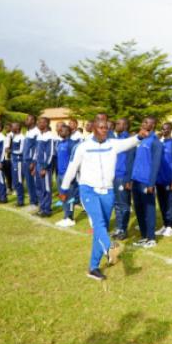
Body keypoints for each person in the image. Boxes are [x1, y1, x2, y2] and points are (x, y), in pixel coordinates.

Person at [59, 118, 140, 280]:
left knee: (99, 230)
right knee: (99, 224)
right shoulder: (82, 146)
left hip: (108, 192)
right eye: (101, 128)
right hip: (88, 191)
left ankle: (93, 267)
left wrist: (140, 136)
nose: (105, 130)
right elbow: (72, 167)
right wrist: (64, 188)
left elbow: (129, 143)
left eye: (106, 128)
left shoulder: (113, 144)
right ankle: (111, 247)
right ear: (94, 129)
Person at [129, 117, 163, 249]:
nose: (143, 124)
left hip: (146, 181)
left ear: (153, 125)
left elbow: (155, 165)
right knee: (139, 210)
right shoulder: (141, 140)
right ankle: (144, 236)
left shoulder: (155, 142)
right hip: (136, 180)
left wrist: (151, 183)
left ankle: (151, 238)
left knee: (149, 210)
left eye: (147, 122)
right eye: (142, 122)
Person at [54, 123, 80, 227]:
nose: (60, 132)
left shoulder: (72, 144)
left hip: (68, 175)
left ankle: (70, 218)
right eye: (60, 130)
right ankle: (66, 217)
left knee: (70, 196)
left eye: (63, 130)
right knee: (63, 196)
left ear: (68, 132)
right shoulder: (60, 143)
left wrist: (72, 175)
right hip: (60, 174)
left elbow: (75, 161)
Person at [32, 116, 57, 217]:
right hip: (37, 166)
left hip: (44, 167)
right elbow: (36, 152)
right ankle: (41, 208)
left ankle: (47, 210)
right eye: (38, 122)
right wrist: (34, 165)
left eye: (41, 122)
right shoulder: (39, 136)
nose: (38, 124)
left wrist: (45, 167)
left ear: (46, 124)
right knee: (39, 188)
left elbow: (51, 154)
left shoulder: (50, 136)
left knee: (46, 188)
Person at [156, 121, 172, 237]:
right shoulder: (160, 143)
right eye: (162, 129)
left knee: (169, 204)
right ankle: (165, 225)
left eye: (166, 129)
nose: (164, 131)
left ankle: (170, 226)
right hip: (159, 180)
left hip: (169, 180)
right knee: (162, 203)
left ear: (171, 130)